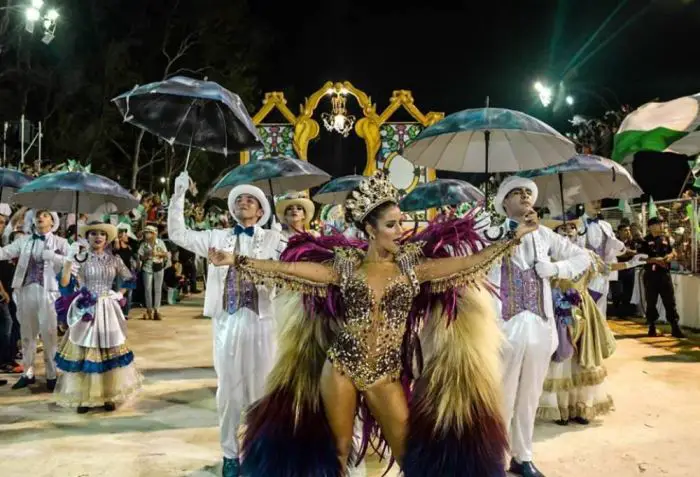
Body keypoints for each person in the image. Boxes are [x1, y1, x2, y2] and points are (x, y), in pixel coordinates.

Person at [208, 171, 536, 477]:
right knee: (337, 453)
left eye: (401, 223)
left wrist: (512, 239)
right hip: (341, 368)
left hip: (385, 373)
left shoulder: (412, 266)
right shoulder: (347, 266)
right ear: (371, 229)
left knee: (410, 455)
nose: (401, 230)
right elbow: (291, 271)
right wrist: (236, 260)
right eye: (392, 225)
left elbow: (467, 263)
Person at [168, 171, 287, 477]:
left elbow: (296, 267)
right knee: (229, 393)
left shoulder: (274, 238)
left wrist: (283, 239)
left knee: (263, 389)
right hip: (228, 323)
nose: (244, 204)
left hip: (262, 322)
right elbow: (178, 234)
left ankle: (260, 450)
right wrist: (178, 194)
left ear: (261, 211)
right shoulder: (217, 237)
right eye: (239, 201)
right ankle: (229, 454)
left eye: (250, 200)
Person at [489, 177, 590, 477]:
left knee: (530, 396)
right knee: (501, 395)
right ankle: (495, 456)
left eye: (528, 194)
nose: (525, 198)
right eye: (517, 194)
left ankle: (523, 456)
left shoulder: (546, 236)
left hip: (540, 326)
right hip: (505, 327)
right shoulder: (493, 232)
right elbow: (480, 258)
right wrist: (517, 232)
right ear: (504, 203)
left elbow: (582, 257)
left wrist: (557, 269)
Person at [537, 218, 646, 426]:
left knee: (583, 358)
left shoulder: (587, 255)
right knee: (561, 357)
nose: (568, 231)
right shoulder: (547, 256)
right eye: (563, 228)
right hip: (558, 309)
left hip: (583, 308)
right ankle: (560, 408)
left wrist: (631, 263)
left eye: (572, 227)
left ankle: (580, 406)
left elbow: (605, 269)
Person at [53, 221, 142, 413]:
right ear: (88, 237)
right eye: (93, 233)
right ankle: (83, 398)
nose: (98, 237)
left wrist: (119, 294)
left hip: (107, 308)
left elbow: (130, 278)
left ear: (107, 238)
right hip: (86, 309)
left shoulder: (115, 259)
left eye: (102, 233)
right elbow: (65, 283)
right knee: (85, 351)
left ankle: (109, 395)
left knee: (109, 350)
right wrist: (69, 259)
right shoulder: (80, 258)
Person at [0, 209, 68, 391]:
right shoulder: (24, 240)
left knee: (49, 335)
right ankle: (27, 373)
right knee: (27, 335)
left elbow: (74, 262)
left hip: (48, 292)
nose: (40, 217)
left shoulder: (60, 242)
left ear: (52, 221)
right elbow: (4, 253)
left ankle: (52, 375)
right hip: (26, 290)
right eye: (38, 214)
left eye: (45, 215)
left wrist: (54, 256)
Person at [638, 217, 686, 338]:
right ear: (651, 226)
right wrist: (655, 260)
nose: (661, 226)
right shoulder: (644, 240)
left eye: (662, 223)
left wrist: (670, 256)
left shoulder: (666, 239)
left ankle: (675, 327)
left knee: (670, 302)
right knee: (651, 302)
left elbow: (673, 252)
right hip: (651, 276)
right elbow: (640, 258)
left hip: (664, 275)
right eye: (659, 224)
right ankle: (652, 326)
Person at [579, 201, 626, 317]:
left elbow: (613, 250)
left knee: (601, 308)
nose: (597, 204)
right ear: (584, 202)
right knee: (583, 308)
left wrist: (620, 247)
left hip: (602, 273)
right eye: (594, 201)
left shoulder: (606, 225)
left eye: (599, 201)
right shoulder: (577, 224)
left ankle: (599, 334)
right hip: (584, 274)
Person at [138, 225, 169, 320]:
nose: (146, 234)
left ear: (153, 233)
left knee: (157, 289)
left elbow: (166, 254)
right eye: (145, 232)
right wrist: (147, 255)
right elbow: (140, 257)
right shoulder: (143, 244)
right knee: (147, 289)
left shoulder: (160, 242)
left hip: (158, 267)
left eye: (148, 232)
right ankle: (149, 309)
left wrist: (158, 254)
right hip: (147, 268)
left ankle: (157, 310)